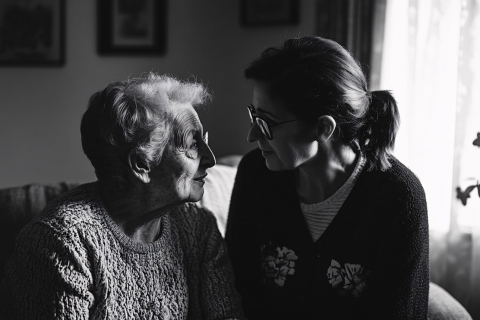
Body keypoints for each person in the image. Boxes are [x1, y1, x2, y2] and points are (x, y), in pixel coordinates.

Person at [0, 73, 245, 319]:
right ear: (141, 165)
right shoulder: (63, 243)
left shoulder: (199, 228)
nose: (211, 159)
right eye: (193, 144)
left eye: (205, 140)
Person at [225, 36, 429, 319]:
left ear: (322, 128)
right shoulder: (255, 174)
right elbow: (235, 288)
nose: (252, 135)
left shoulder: (398, 197)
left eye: (267, 123)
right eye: (253, 116)